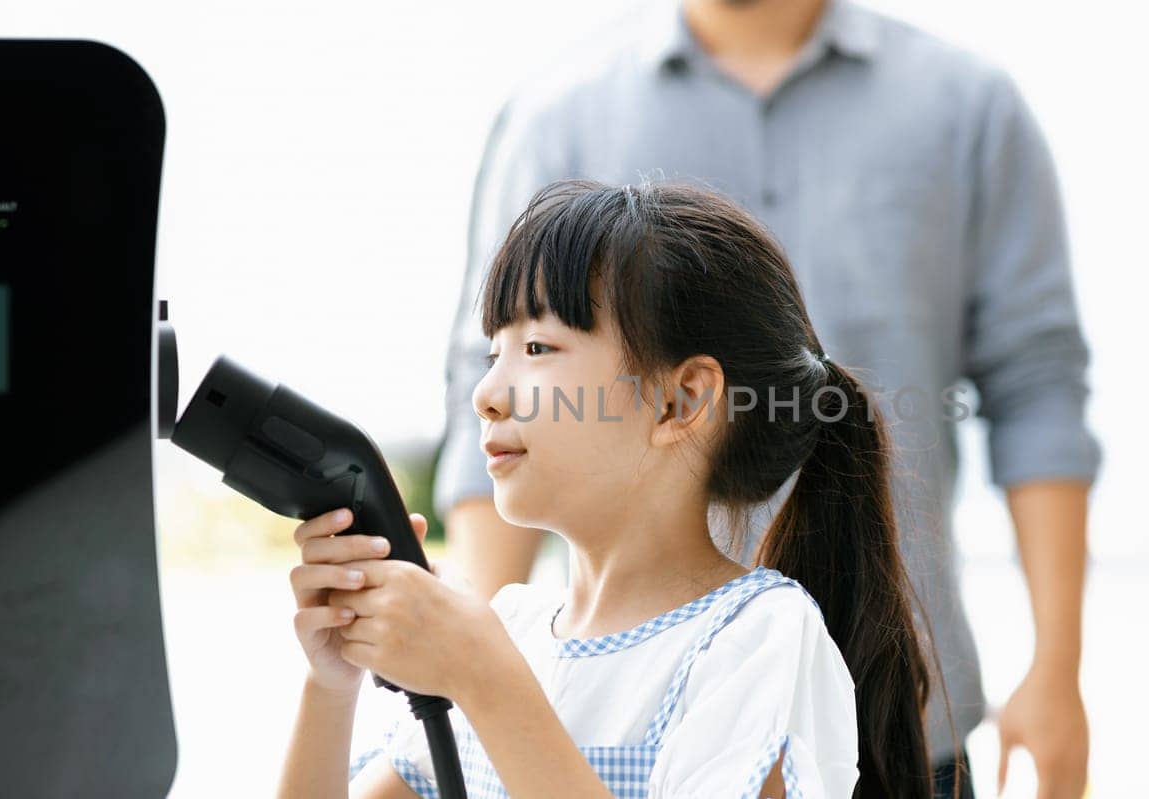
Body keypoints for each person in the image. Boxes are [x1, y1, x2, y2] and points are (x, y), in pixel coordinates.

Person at [434, 1, 1103, 796]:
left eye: (540, 346)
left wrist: (1056, 668)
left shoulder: (965, 106)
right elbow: (488, 402)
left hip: (908, 704)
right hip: (576, 721)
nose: (494, 390)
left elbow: (1037, 387)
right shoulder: (558, 110)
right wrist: (466, 660)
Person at [279, 179, 936, 797]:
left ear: (680, 400)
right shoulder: (512, 630)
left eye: (537, 348)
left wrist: (484, 677)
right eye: (492, 354)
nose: (486, 394)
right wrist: (330, 685)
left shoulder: (753, 638)